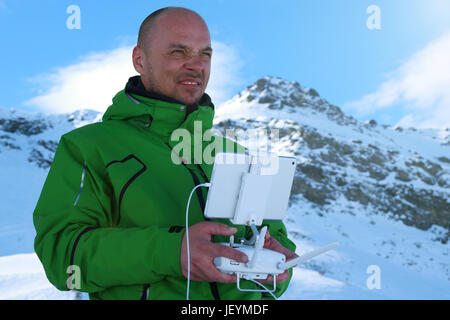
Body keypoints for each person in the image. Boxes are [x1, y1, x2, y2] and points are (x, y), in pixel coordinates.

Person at [33, 6, 297, 300]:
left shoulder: (236, 153)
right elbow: (61, 257)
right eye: (178, 52)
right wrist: (173, 252)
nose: (196, 65)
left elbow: (275, 240)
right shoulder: (89, 146)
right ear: (140, 60)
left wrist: (280, 266)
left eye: (204, 54)